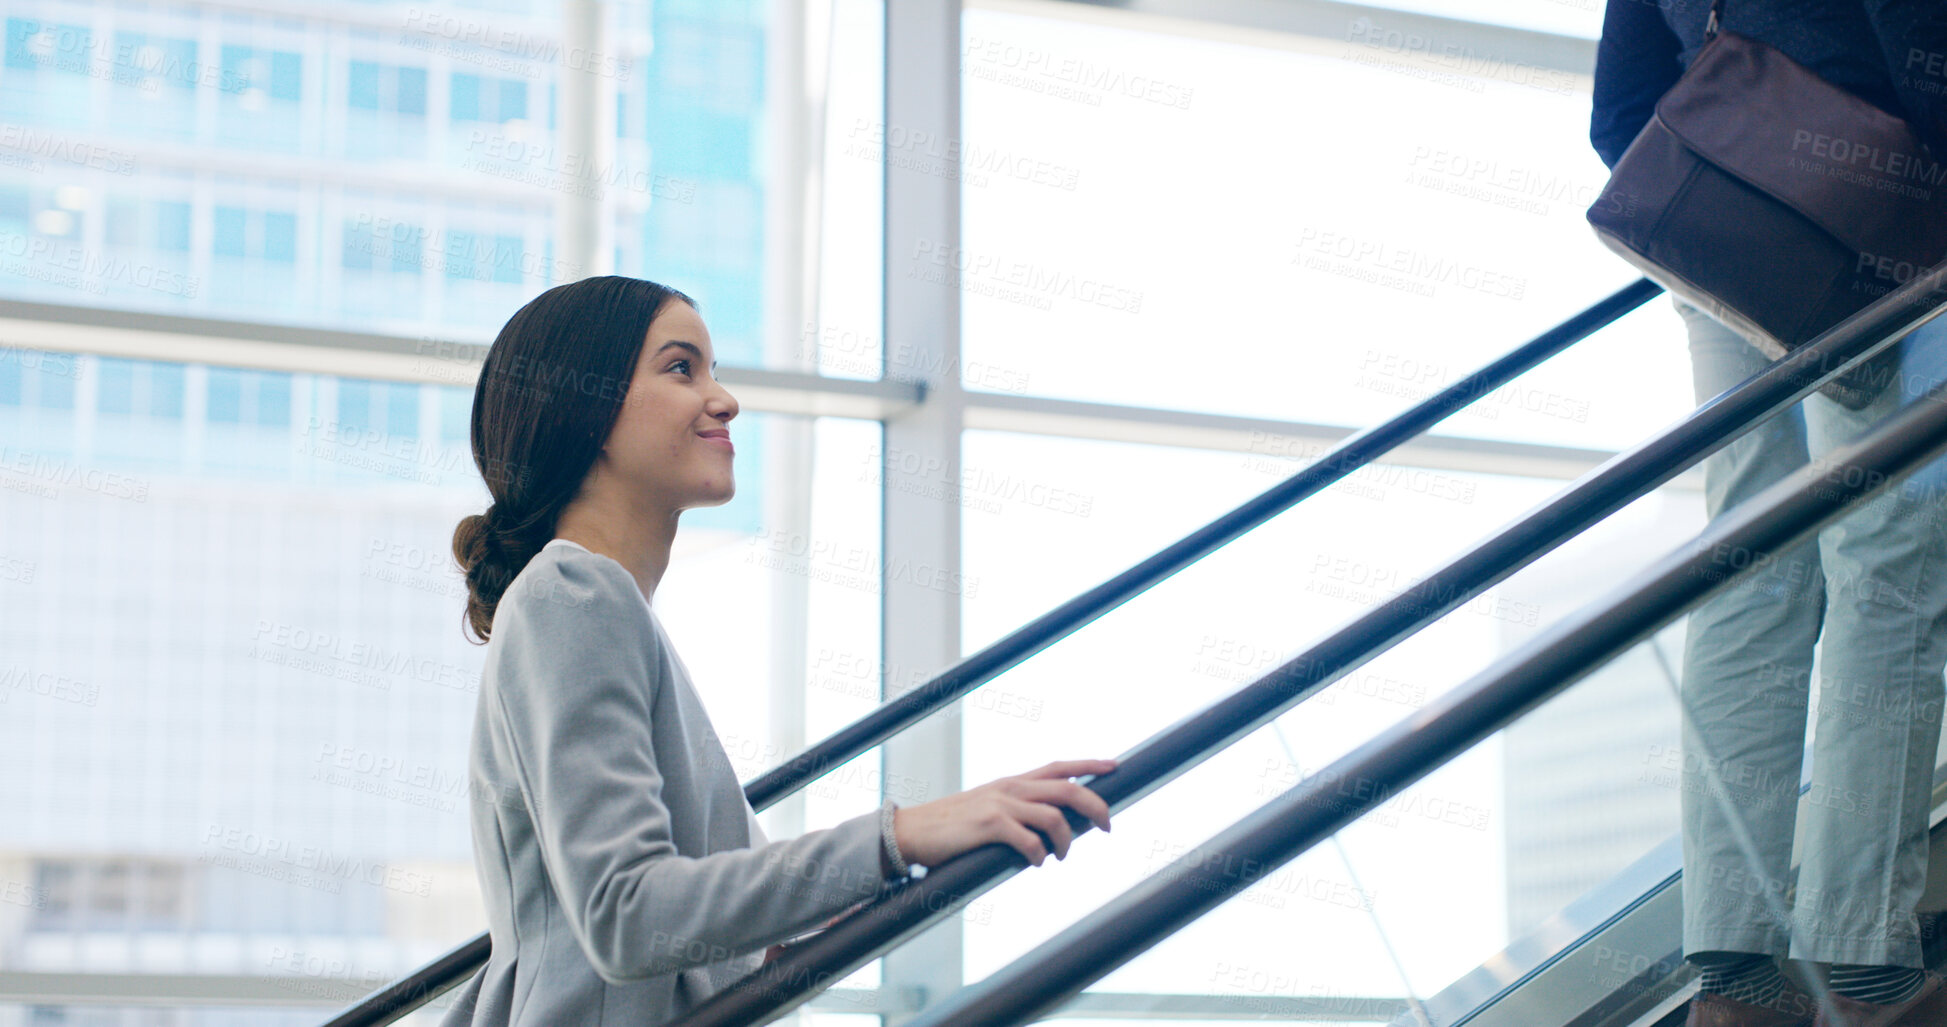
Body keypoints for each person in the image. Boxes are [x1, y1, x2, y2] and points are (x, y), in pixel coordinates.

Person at [434, 276, 1116, 1026]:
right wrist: (901, 836)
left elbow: (677, 931)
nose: (723, 399)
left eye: (712, 370)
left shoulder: (605, 608)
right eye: (680, 367)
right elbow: (624, 911)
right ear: (587, 409)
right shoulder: (573, 594)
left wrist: (863, 886)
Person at [1593, 3, 1947, 1027]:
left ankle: (1733, 978)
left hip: (1722, 243)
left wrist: (1736, 194)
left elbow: (1619, 109)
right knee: (1888, 566)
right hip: (1886, 229)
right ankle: (1862, 965)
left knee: (1750, 575)